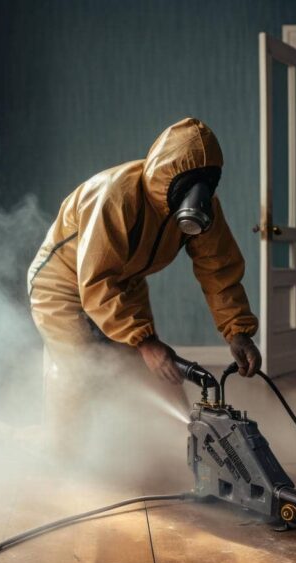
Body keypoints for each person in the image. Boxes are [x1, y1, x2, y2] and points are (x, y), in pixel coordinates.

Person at [27, 118, 261, 449]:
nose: (198, 195)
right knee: (78, 368)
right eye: (189, 184)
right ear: (166, 176)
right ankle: (61, 452)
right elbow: (96, 279)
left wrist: (237, 331)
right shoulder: (113, 196)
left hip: (124, 282)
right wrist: (145, 341)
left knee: (155, 369)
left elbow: (219, 269)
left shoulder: (203, 210)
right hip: (62, 283)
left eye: (207, 183)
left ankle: (186, 444)